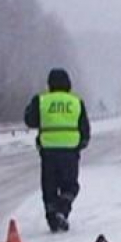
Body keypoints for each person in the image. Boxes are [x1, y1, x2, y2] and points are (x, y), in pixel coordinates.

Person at [24, 68, 90, 232]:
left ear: (49, 84)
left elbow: (30, 120)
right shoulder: (76, 102)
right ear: (68, 83)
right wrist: (81, 143)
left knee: (49, 187)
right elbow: (85, 128)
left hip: (48, 152)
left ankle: (53, 217)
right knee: (70, 186)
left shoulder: (41, 100)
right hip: (70, 152)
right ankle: (63, 209)